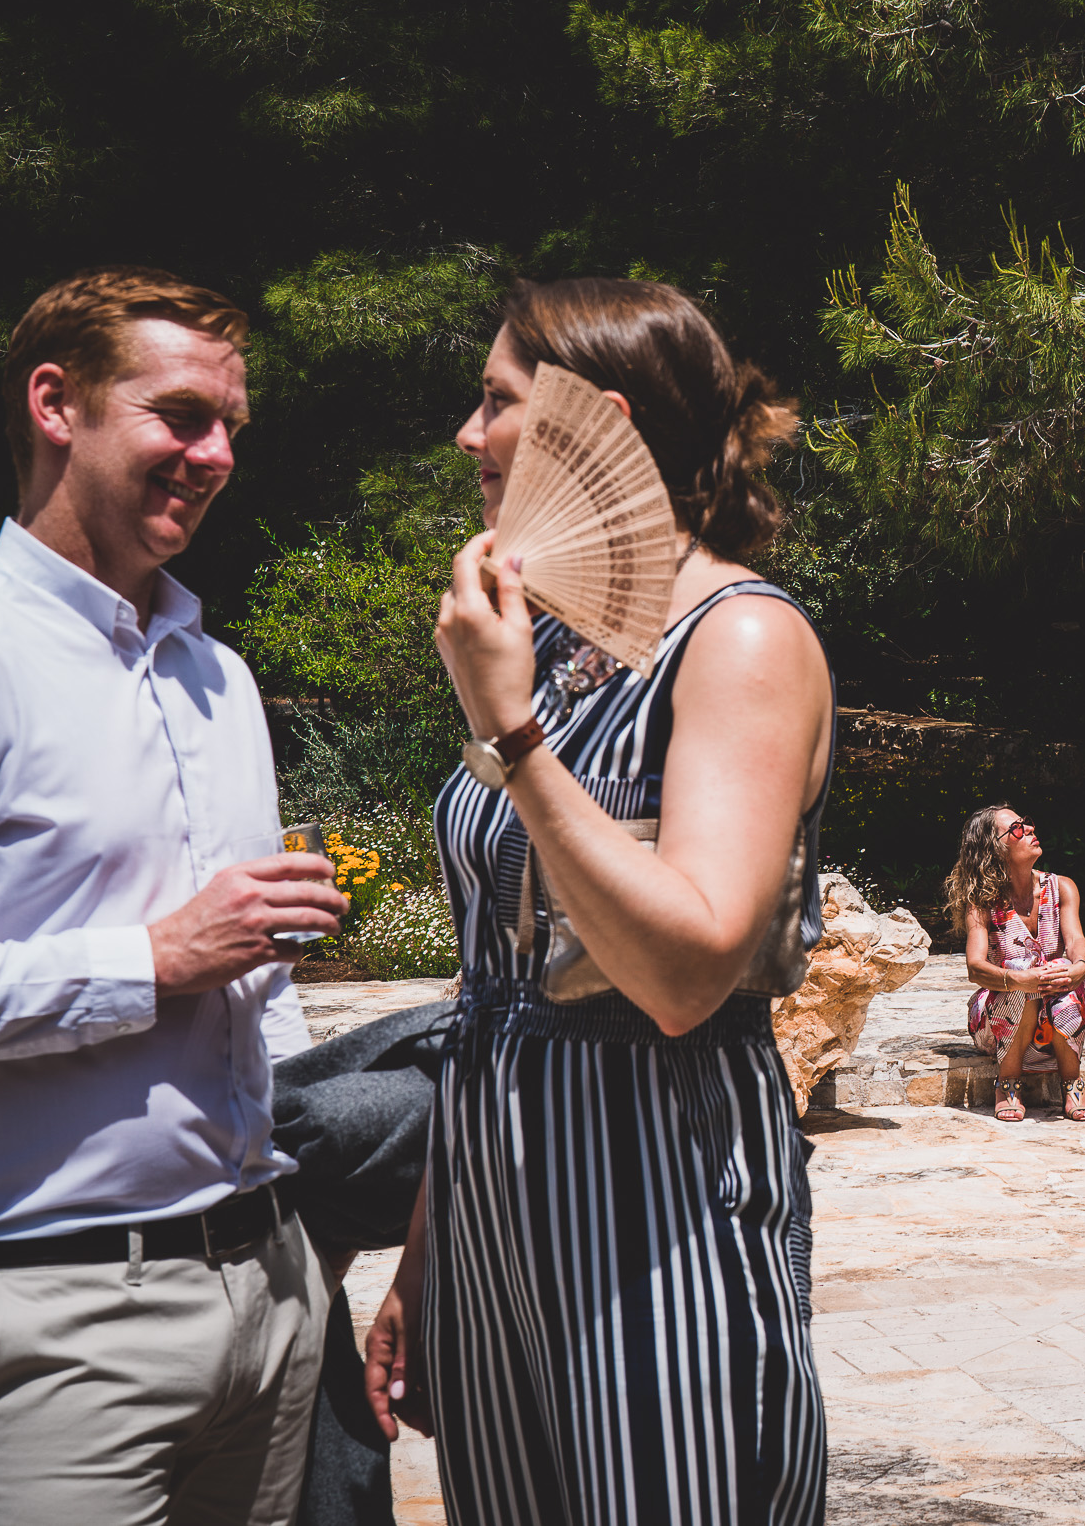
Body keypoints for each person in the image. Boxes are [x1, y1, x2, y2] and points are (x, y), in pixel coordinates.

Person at [361, 277, 833, 1526]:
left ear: (592, 425)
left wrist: (507, 730)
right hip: (503, 1197)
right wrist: (429, 1247)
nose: (467, 435)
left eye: (496, 400)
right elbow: (492, 982)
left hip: (657, 1185)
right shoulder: (559, 648)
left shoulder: (739, 638)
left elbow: (686, 972)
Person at [0, 267, 349, 1523]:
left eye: (231, 431)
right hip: (50, 1320)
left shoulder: (224, 679)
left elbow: (250, 984)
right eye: (183, 416)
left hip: (266, 1294)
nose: (214, 455)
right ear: (57, 404)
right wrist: (153, 959)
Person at [945, 806, 1085, 1122]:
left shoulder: (1062, 887)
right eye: (1016, 828)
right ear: (994, 847)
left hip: (1052, 1017)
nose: (1028, 829)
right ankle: (1008, 1083)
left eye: (1027, 823)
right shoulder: (982, 902)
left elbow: (1076, 940)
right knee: (1021, 976)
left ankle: (1072, 1083)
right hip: (997, 1019)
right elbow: (975, 967)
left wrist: (1079, 966)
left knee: (1064, 975)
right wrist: (1019, 979)